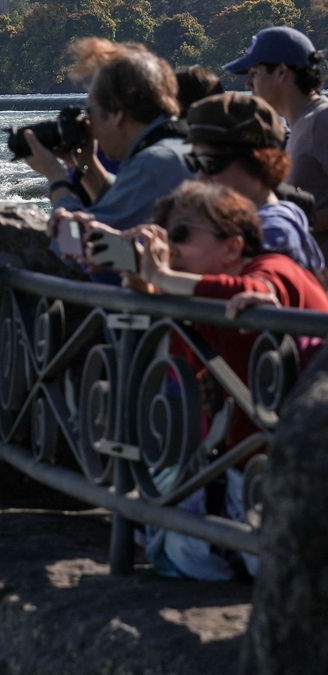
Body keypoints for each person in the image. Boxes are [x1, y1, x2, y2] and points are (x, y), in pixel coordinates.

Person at [126, 182, 328, 580]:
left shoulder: (275, 267)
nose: (170, 247)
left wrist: (165, 277)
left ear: (232, 247)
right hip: (255, 466)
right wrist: (150, 286)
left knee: (180, 545)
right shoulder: (203, 300)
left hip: (301, 469)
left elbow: (259, 291)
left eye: (180, 234)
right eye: (165, 235)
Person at [24, 38, 191, 231]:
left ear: (116, 114)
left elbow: (86, 248)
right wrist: (87, 164)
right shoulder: (179, 145)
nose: (89, 122)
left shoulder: (153, 164)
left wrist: (55, 177)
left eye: (91, 110)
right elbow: (127, 208)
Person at [184, 92, 325, 273]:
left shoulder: (275, 232)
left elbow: (253, 289)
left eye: (209, 164)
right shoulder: (241, 223)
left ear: (258, 163)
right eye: (193, 162)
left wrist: (163, 276)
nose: (200, 178)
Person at [224, 26, 328, 235]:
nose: (249, 84)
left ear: (281, 72)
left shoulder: (321, 120)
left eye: (255, 73)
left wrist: (281, 226)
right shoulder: (301, 123)